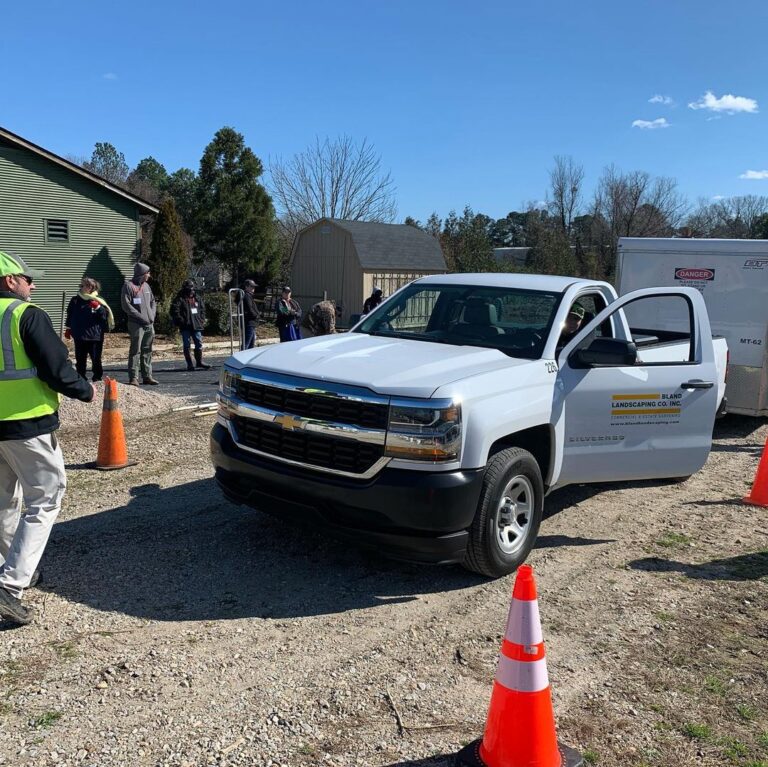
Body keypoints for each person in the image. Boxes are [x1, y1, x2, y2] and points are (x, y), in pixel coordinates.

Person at [0, 251, 95, 626]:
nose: (32, 285)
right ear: (10, 281)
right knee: (45, 499)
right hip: (28, 425)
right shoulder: (25, 315)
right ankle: (10, 586)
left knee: (4, 501)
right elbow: (57, 367)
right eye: (27, 279)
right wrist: (84, 390)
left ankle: (10, 566)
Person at [64, 276, 114, 382]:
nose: (82, 287)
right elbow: (70, 314)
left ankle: (97, 377)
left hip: (94, 336)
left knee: (96, 359)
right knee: (80, 359)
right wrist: (68, 328)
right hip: (80, 335)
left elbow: (104, 317)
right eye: (82, 285)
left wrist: (98, 308)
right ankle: (81, 377)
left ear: (92, 287)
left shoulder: (98, 300)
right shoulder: (75, 300)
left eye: (86, 285)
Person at [121, 262, 158, 386]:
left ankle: (147, 376)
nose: (149, 275)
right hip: (136, 324)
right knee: (135, 351)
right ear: (142, 274)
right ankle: (133, 377)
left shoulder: (147, 286)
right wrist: (141, 317)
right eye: (147, 273)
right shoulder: (128, 286)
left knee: (147, 350)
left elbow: (153, 302)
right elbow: (126, 306)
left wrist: (152, 315)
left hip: (149, 324)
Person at [171, 279, 211, 371]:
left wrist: (201, 319)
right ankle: (189, 364)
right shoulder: (180, 298)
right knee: (186, 345)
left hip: (197, 325)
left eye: (192, 288)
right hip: (185, 326)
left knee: (199, 343)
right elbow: (174, 311)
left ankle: (199, 362)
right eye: (189, 288)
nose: (191, 290)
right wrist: (181, 321)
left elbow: (202, 309)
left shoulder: (197, 298)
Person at [240, 279, 259, 350]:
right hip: (249, 323)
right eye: (252, 286)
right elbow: (250, 309)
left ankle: (247, 359)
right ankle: (241, 358)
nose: (253, 288)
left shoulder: (248, 295)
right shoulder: (246, 296)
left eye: (254, 287)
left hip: (251, 323)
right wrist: (256, 315)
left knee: (251, 344)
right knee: (246, 344)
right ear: (246, 286)